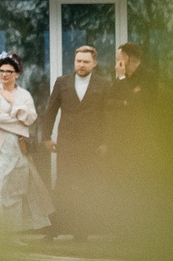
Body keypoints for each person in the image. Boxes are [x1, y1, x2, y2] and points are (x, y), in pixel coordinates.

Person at [38, 43, 115, 237]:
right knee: (62, 184)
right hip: (67, 143)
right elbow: (51, 110)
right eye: (78, 61)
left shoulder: (104, 84)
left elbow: (108, 115)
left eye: (86, 62)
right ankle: (54, 229)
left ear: (94, 63)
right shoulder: (62, 82)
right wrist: (46, 137)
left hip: (91, 144)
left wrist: (105, 142)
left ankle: (81, 231)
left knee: (87, 186)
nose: (81, 65)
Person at [0, 52, 52, 233]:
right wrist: (19, 119)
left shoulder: (23, 95)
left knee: (15, 192)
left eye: (9, 71)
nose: (4, 75)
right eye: (1, 71)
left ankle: (12, 234)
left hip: (19, 149)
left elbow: (31, 118)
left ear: (17, 73)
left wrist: (13, 102)